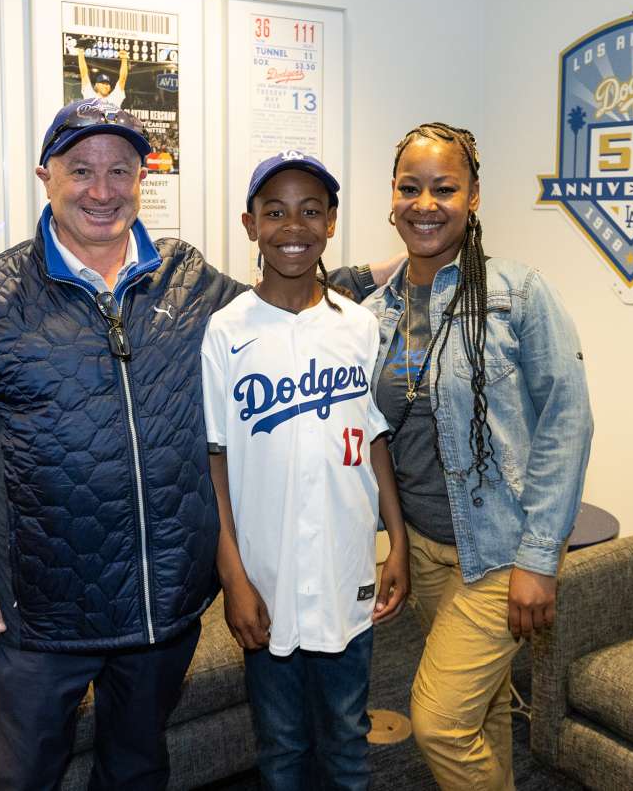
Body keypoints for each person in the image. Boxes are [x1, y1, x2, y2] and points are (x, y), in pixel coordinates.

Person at [0, 98, 392, 791]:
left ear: (143, 178)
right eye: (81, 170)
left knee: (137, 770)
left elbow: (281, 297)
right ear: (46, 175)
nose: (101, 190)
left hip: (157, 608)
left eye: (119, 170)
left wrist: (395, 265)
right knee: (19, 777)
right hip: (42, 607)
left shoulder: (190, 281)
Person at [363, 122, 594, 790]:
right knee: (484, 713)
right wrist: (398, 544)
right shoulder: (376, 310)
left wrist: (539, 558)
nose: (426, 203)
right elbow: (383, 438)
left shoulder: (517, 294)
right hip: (428, 552)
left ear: (475, 197)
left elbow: (567, 422)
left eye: (444, 187)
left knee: (437, 722)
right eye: (411, 188)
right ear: (393, 198)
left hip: (499, 550)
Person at [202, 153, 410, 791]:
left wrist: (396, 540)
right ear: (250, 224)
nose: (293, 225)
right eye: (275, 212)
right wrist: (232, 573)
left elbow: (375, 438)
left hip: (347, 565)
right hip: (268, 575)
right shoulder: (225, 331)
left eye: (310, 210)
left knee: (348, 740)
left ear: (331, 223)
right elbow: (215, 457)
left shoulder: (360, 325)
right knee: (283, 747)